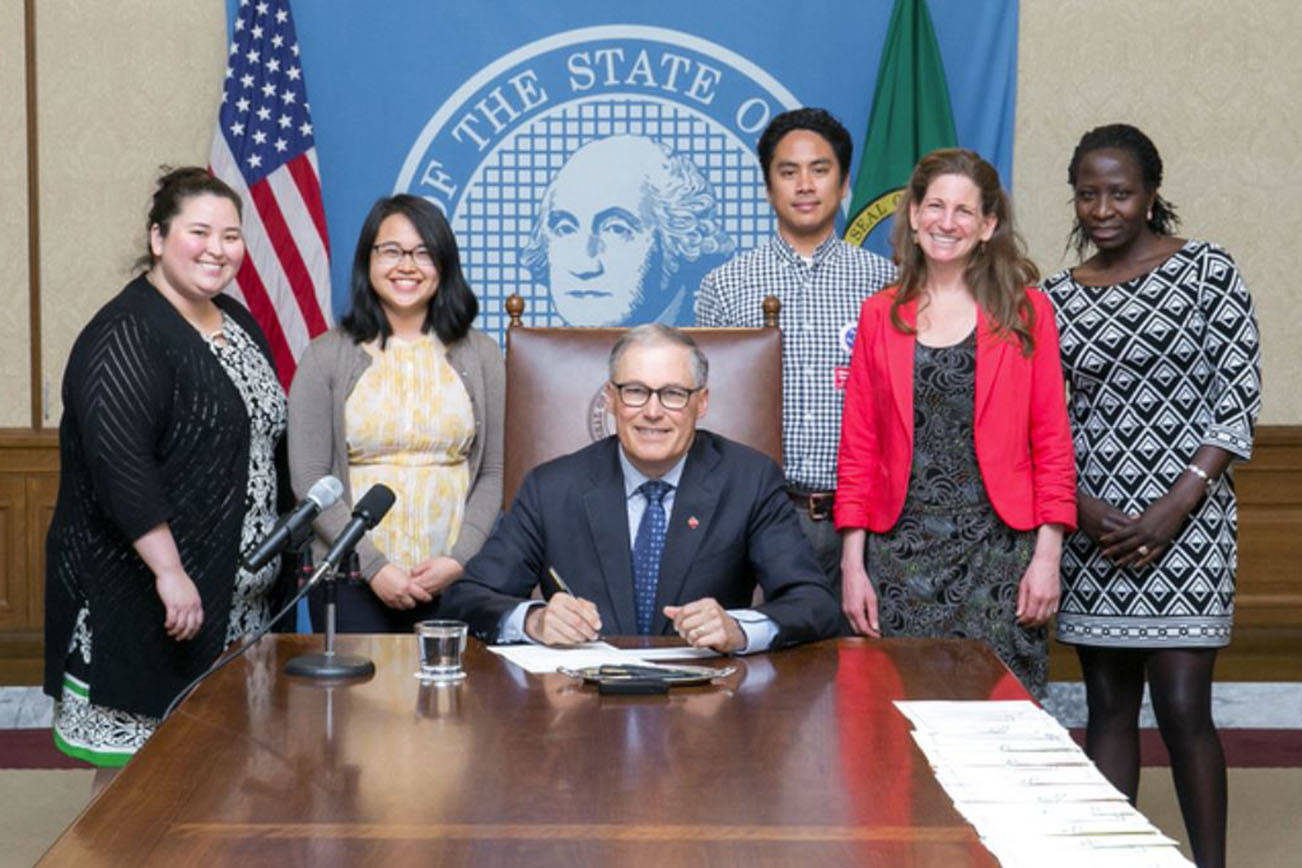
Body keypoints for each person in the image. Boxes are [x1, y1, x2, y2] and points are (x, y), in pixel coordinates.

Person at [1043, 124, 1261, 868]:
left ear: (1151, 195)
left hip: (1189, 525)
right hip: (1096, 529)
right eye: (1088, 193)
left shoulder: (1206, 270)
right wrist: (1080, 506)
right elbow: (1045, 420)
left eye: (1121, 191)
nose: (1103, 208)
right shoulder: (1055, 299)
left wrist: (1176, 504)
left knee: (1180, 705)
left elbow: (1235, 398)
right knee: (1107, 709)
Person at [44, 167, 289, 772]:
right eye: (199, 231)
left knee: (219, 782)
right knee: (133, 802)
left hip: (238, 608)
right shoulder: (126, 332)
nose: (218, 249)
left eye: (231, 236)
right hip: (150, 603)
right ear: (157, 238)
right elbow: (117, 465)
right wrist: (171, 572)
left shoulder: (235, 320)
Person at [835, 148, 1076, 699]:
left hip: (1001, 552)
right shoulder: (879, 314)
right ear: (914, 216)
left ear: (988, 225)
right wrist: (854, 565)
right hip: (900, 555)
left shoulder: (1028, 312)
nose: (948, 222)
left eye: (964, 211)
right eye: (935, 206)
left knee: (1001, 723)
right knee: (903, 731)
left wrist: (1047, 557)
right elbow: (859, 449)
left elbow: (1053, 444)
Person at [439, 325, 840, 651]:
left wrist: (737, 629)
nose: (652, 411)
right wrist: (535, 620)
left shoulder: (749, 481)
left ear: (701, 403)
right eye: (635, 391)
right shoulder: (552, 488)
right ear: (611, 400)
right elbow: (466, 599)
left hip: (708, 717)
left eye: (672, 394)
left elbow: (814, 604)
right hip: (582, 715)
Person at [695, 108, 896, 615]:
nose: (804, 185)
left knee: (855, 675)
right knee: (758, 673)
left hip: (861, 522)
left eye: (819, 170)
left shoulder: (885, 284)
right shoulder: (725, 286)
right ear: (768, 187)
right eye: (788, 172)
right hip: (757, 516)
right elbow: (704, 411)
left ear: (844, 183)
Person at [288, 194, 504, 632]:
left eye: (423, 253)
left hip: (452, 580)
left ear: (444, 265)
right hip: (350, 578)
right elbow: (310, 480)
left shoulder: (481, 354)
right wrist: (373, 567)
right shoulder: (325, 356)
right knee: (359, 702)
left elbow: (494, 471)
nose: (407, 265)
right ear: (368, 260)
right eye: (392, 251)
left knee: (451, 701)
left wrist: (457, 560)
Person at [520, 135, 735, 326]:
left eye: (616, 229)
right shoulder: (537, 363)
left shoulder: (719, 358)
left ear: (679, 240)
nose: (584, 264)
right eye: (565, 229)